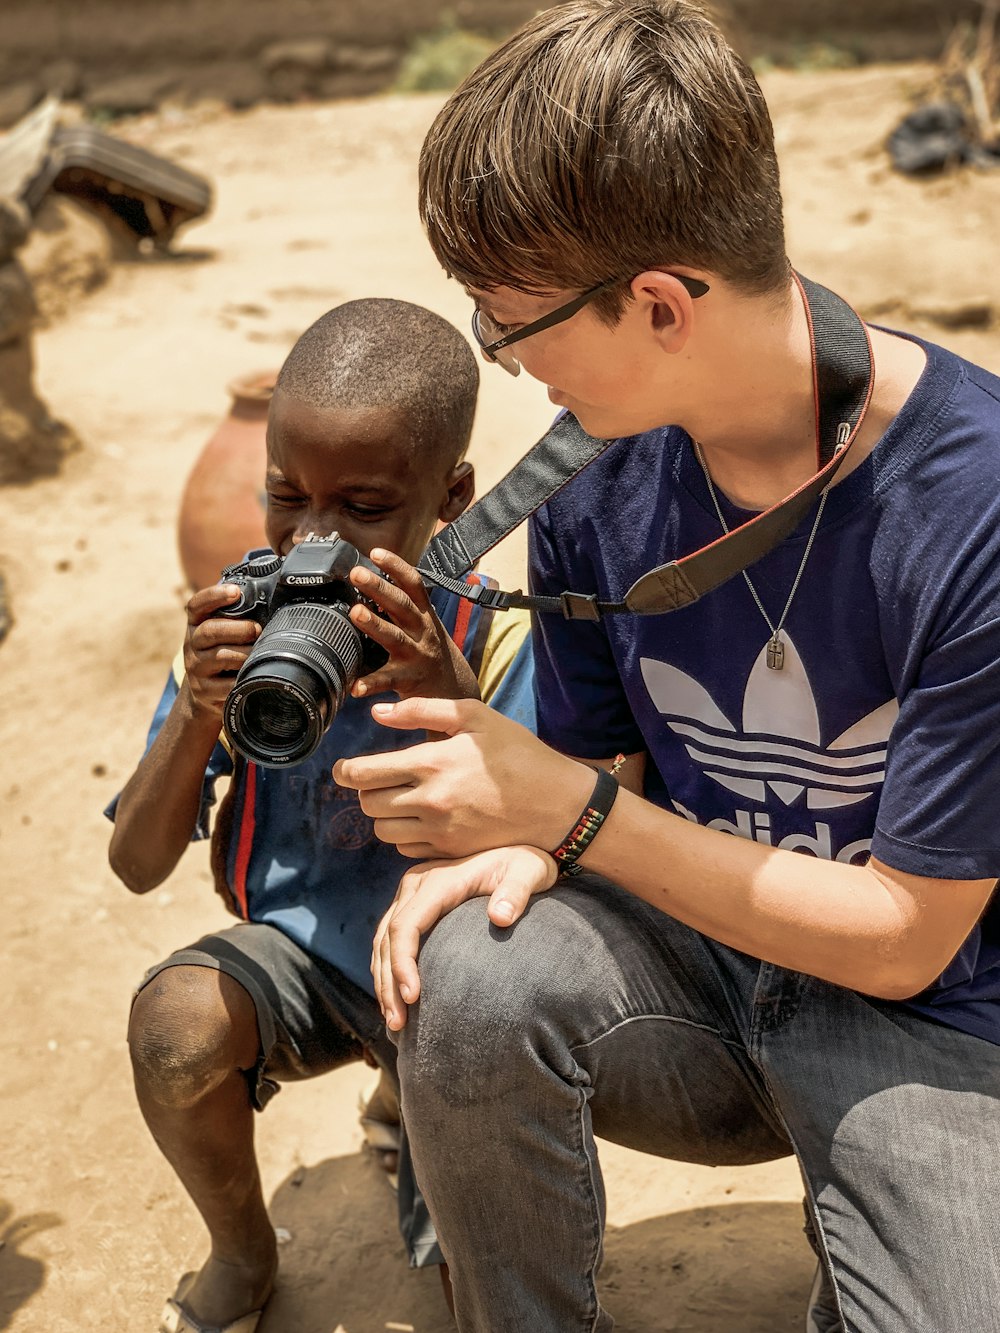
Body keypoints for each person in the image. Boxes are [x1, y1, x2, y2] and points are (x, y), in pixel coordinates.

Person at [333, 5, 1000, 1332]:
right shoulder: (590, 477)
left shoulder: (973, 504)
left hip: (933, 1021)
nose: (502, 356)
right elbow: (606, 766)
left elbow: (909, 942)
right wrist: (523, 840)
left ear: (657, 304)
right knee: (469, 964)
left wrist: (567, 815)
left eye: (508, 320)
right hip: (706, 974)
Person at [107, 298, 534, 1333]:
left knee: (466, 1302)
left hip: (449, 983)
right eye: (285, 496)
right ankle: (244, 1248)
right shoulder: (237, 630)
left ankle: (412, 1109)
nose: (313, 539)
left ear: (452, 497)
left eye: (367, 504)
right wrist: (200, 715)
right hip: (300, 957)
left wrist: (438, 688)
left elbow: (533, 856)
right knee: (172, 1028)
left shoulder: (493, 636)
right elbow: (136, 862)